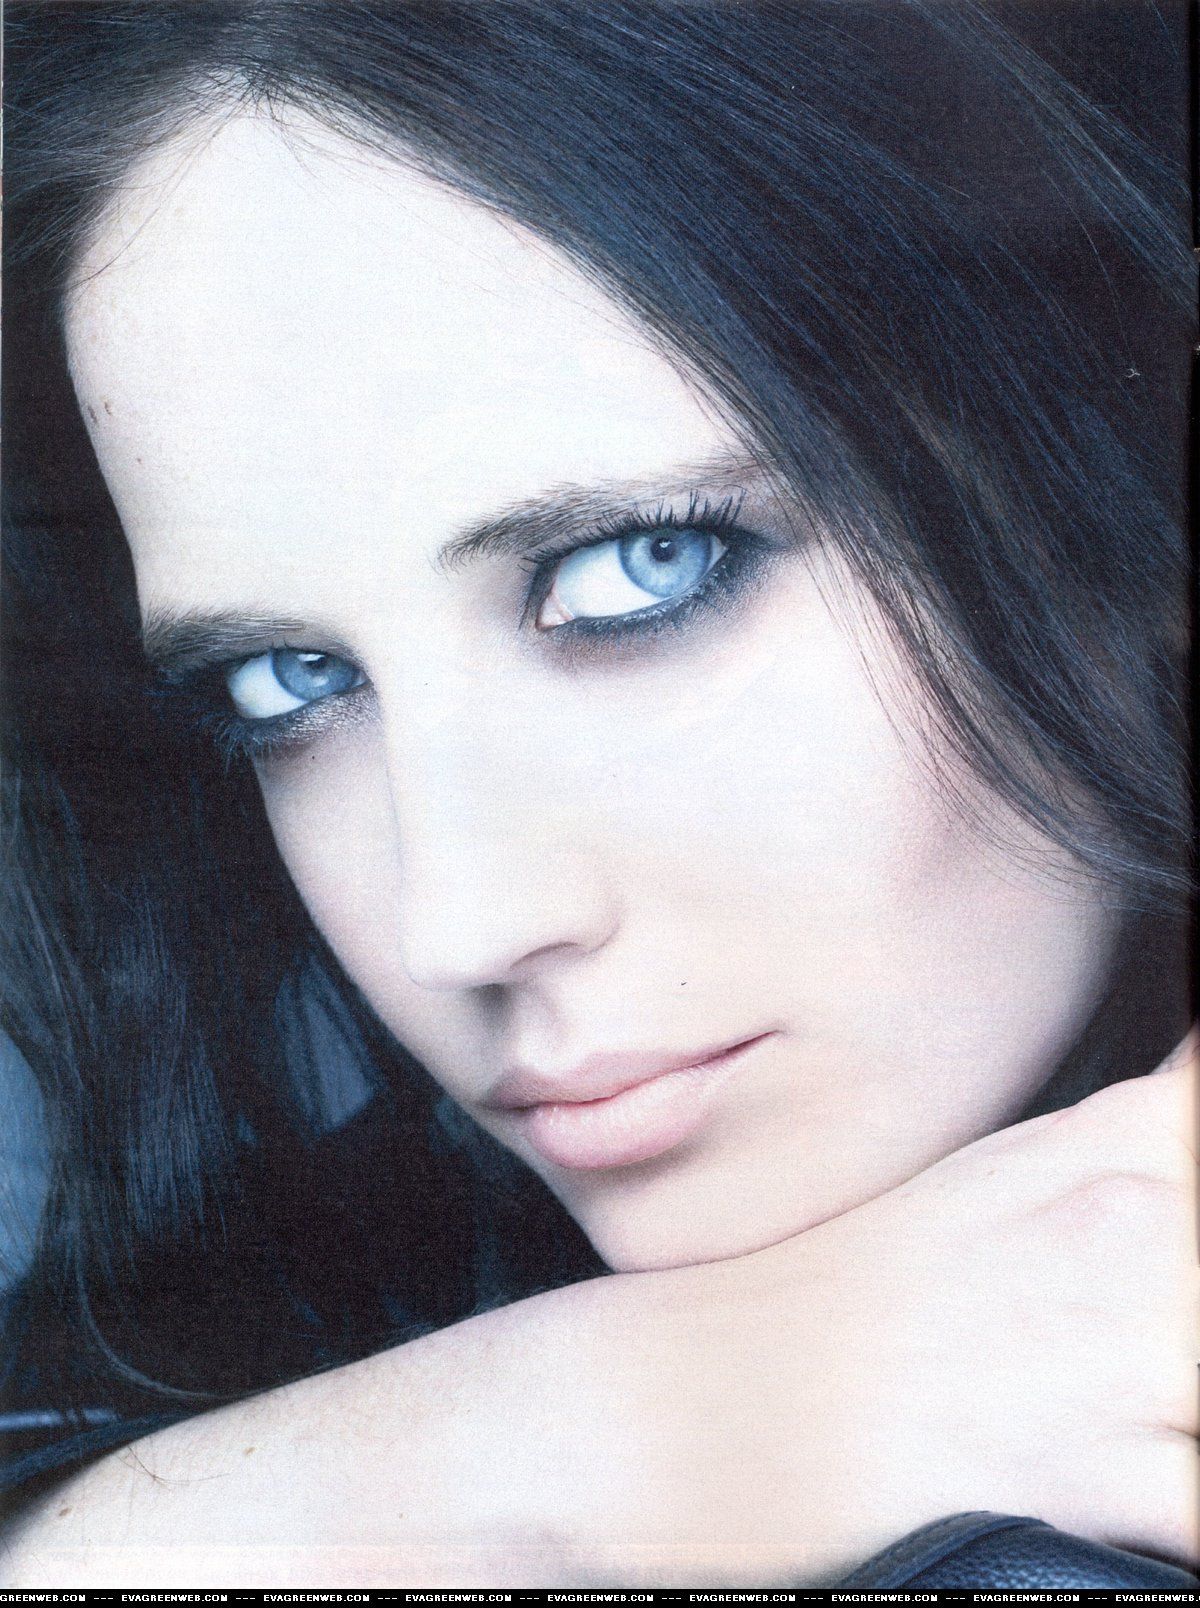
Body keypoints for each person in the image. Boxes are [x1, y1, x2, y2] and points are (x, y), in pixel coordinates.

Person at [1, 0, 1194, 1589]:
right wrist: (573, 1445)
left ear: (1119, 481)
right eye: (284, 684)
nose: (459, 923)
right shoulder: (255, 1303)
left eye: (642, 570)